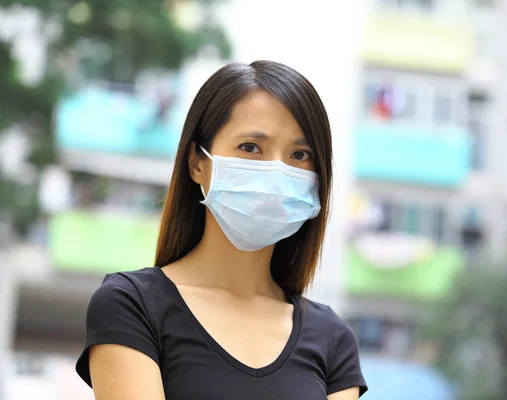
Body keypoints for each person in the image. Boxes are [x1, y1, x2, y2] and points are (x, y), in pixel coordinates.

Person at [75, 60, 368, 399]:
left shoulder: (333, 339)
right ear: (198, 163)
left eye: (299, 154)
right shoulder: (132, 306)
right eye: (250, 147)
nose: (276, 170)